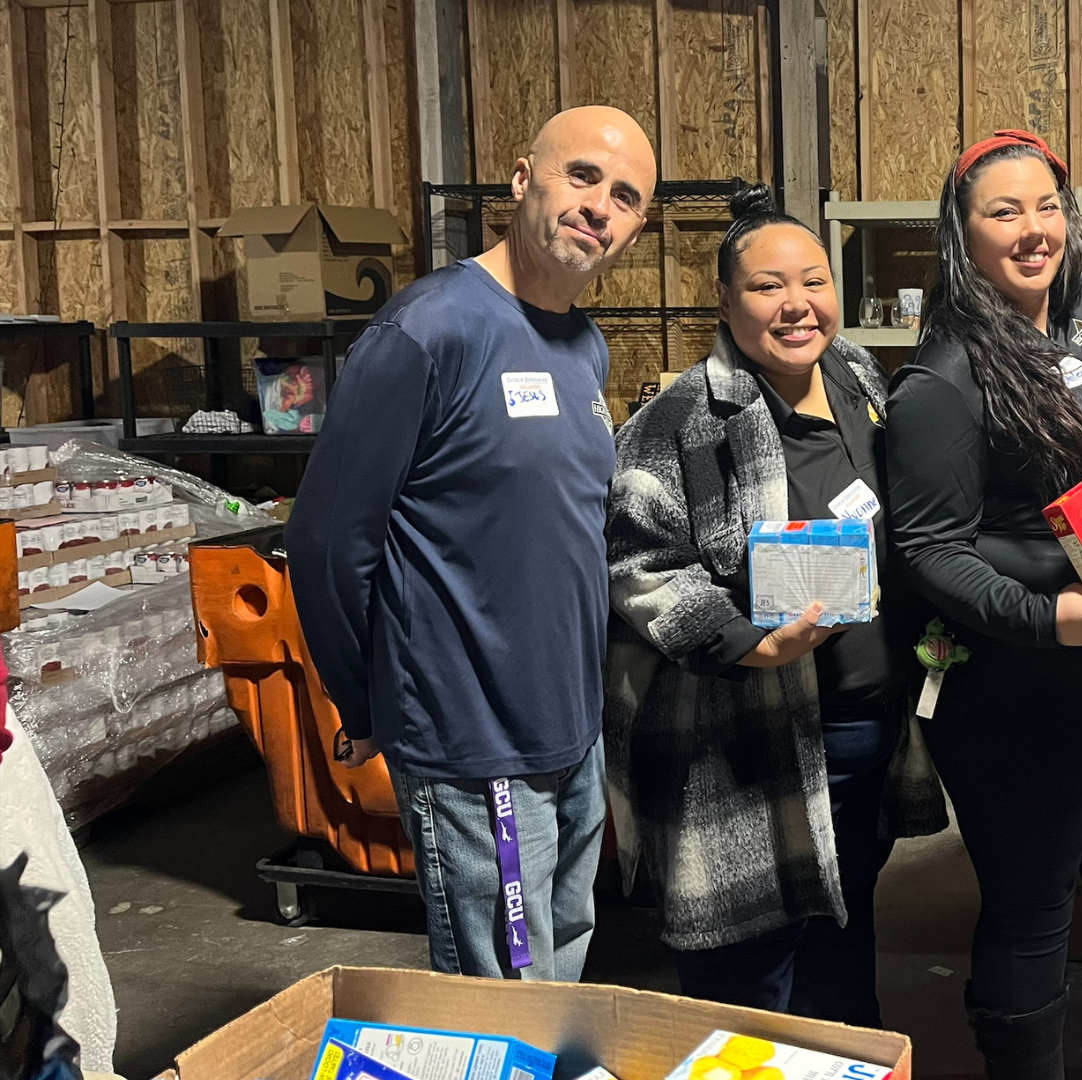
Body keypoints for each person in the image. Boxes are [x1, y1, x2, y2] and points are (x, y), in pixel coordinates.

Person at [287, 106, 657, 981]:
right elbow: (328, 541)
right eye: (583, 176)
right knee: (502, 989)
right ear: (521, 179)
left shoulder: (584, 347)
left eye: (627, 196)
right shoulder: (428, 331)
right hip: (473, 736)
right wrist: (371, 701)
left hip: (570, 725)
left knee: (561, 962)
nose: (601, 205)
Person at [602, 184, 946, 1026]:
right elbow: (638, 564)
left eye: (814, 281)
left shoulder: (859, 377)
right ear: (725, 300)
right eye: (766, 286)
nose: (797, 305)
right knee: (750, 985)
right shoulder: (680, 420)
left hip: (864, 731)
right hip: (742, 745)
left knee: (843, 950)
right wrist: (743, 640)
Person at [884, 129, 1082, 1080]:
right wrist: (1047, 618)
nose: (1032, 230)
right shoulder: (946, 374)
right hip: (1021, 685)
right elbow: (929, 549)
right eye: (1002, 212)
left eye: (1046, 207)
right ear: (961, 235)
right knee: (1033, 907)